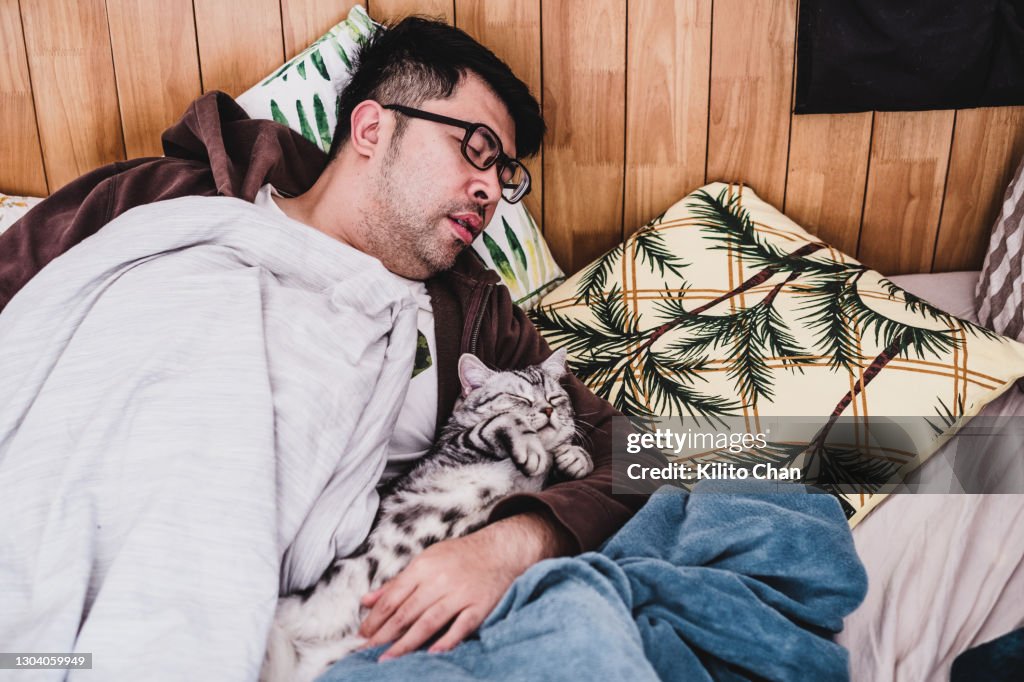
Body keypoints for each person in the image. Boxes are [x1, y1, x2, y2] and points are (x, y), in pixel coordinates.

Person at [0, 16, 656, 677]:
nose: (492, 192)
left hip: (245, 609)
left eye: (505, 174)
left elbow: (647, 454)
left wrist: (514, 543)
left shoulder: (474, 316)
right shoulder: (162, 200)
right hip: (32, 527)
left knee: (744, 504)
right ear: (372, 129)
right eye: (477, 149)